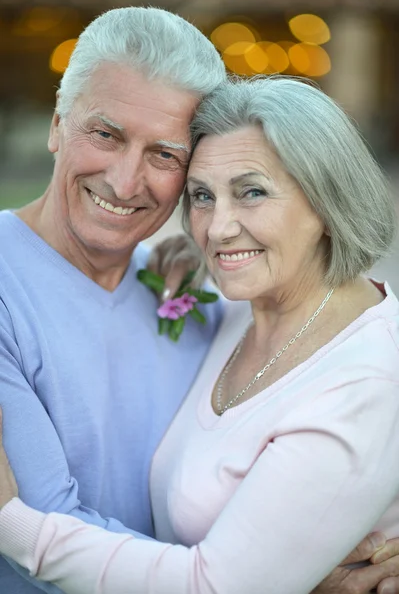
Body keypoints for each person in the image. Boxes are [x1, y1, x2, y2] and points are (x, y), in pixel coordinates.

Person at [0, 75, 399, 594]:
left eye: (252, 192)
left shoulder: (363, 382)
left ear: (327, 200)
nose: (216, 228)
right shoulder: (240, 307)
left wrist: (11, 521)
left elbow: (212, 588)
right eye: (203, 197)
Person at [0, 6, 226, 594]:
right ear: (56, 126)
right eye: (105, 134)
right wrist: (277, 572)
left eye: (164, 155)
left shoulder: (196, 295)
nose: (126, 183)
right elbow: (45, 532)